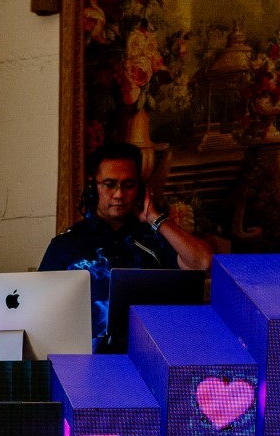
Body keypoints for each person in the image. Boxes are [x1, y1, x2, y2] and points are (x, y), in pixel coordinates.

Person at [39, 141, 213, 347]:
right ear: (93, 187)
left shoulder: (154, 239)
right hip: (85, 359)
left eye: (128, 185)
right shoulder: (66, 245)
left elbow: (202, 262)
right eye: (110, 184)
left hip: (151, 354)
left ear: (141, 188)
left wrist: (155, 218)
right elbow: (40, 312)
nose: (119, 194)